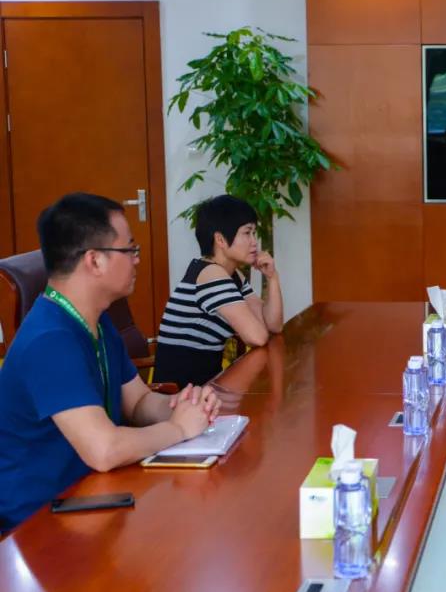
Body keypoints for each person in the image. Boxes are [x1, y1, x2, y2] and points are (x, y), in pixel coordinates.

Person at [0, 193, 221, 530]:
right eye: (129, 249)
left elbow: (138, 402)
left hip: (93, 497)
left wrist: (182, 406)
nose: (136, 259)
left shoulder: (95, 321)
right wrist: (177, 429)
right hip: (38, 524)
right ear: (95, 261)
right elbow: (103, 450)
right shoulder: (49, 339)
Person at [154, 195, 283, 387]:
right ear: (220, 239)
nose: (254, 242)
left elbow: (273, 325)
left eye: (254, 233)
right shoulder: (211, 275)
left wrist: (272, 277)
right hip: (180, 393)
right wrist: (258, 325)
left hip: (205, 386)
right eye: (247, 233)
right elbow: (257, 337)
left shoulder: (232, 274)